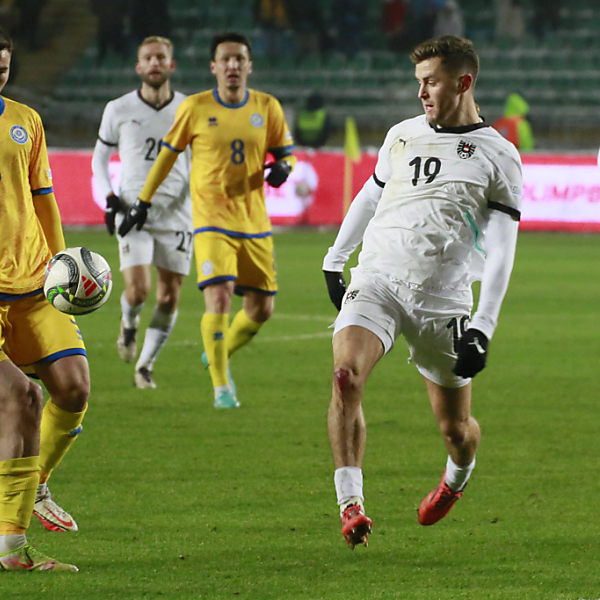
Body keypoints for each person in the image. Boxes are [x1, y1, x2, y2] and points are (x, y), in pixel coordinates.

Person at [322, 35, 522, 548]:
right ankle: (351, 504)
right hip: (379, 281)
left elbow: (501, 251)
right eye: (418, 83)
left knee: (456, 431)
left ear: (464, 82)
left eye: (430, 82)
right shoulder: (402, 135)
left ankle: (456, 478)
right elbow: (370, 195)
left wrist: (483, 327)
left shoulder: (499, 156)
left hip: (443, 303)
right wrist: (334, 258)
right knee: (345, 376)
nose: (421, 94)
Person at [118, 31, 295, 409]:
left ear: (249, 65)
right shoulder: (195, 108)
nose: (233, 65)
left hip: (254, 221)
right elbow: (167, 156)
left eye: (239, 59)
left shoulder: (267, 107)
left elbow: (286, 153)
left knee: (262, 309)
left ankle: (218, 352)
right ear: (214, 67)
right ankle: (222, 388)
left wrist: (283, 167)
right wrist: (142, 202)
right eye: (225, 59)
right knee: (219, 299)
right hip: (211, 219)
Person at [0, 27, 89, 572]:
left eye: (3, 64)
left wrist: (63, 265)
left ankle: (36, 485)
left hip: (32, 283)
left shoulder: (24, 120)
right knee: (22, 399)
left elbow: (43, 198)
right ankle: (12, 548)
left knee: (74, 388)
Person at [92, 36, 192, 390]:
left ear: (171, 65)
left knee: (169, 296)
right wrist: (107, 197)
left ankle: (145, 366)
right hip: (133, 211)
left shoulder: (188, 109)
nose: (154, 63)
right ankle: (129, 323)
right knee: (138, 291)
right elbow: (99, 159)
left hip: (178, 215)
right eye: (148, 58)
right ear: (138, 67)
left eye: (161, 57)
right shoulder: (118, 109)